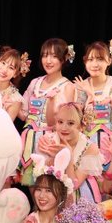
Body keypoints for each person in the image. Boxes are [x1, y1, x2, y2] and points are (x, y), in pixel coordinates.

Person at [18, 38, 76, 186]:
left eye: (54, 56)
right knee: (32, 187)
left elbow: (64, 123)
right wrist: (10, 97)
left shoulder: (67, 87)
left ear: (64, 59)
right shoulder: (35, 82)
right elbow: (24, 115)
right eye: (45, 55)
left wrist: (51, 103)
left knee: (48, 187)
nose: (48, 61)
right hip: (29, 139)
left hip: (49, 143)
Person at [74, 39, 112, 170]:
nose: (95, 64)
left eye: (100, 59)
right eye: (90, 59)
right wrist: (89, 97)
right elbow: (76, 124)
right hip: (88, 145)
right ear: (85, 62)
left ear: (109, 61)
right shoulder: (81, 86)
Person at [37, 102, 103, 204]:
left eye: (71, 123)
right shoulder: (48, 140)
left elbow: (74, 184)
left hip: (80, 197)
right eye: (60, 122)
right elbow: (39, 178)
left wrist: (68, 156)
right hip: (51, 196)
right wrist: (52, 160)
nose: (64, 128)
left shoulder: (89, 148)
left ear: (81, 126)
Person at [0, 46, 28, 121]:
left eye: (11, 67)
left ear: (15, 74)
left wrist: (1, 106)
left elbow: (5, 125)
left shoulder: (15, 99)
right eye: (3, 63)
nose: (4, 70)